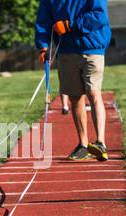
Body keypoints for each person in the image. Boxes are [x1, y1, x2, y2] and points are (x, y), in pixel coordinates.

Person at [36, 0, 111, 161]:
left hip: (92, 46)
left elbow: (99, 16)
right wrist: (43, 47)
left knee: (93, 93)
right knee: (75, 96)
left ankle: (100, 142)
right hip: (65, 50)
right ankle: (83, 146)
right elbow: (44, 21)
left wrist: (71, 25)